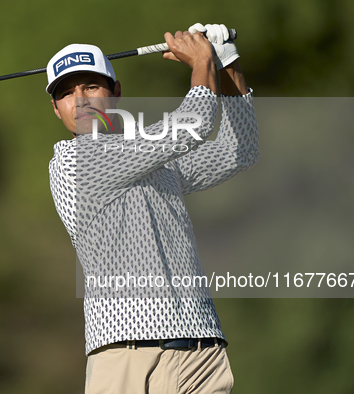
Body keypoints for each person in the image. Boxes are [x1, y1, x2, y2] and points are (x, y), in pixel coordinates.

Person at [47, 23, 259, 394]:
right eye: (66, 93)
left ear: (116, 92)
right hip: (127, 355)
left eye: (90, 86)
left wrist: (227, 65)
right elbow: (192, 124)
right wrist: (201, 62)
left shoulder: (154, 160)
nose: (79, 100)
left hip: (200, 351)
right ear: (56, 109)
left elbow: (238, 151)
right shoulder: (73, 160)